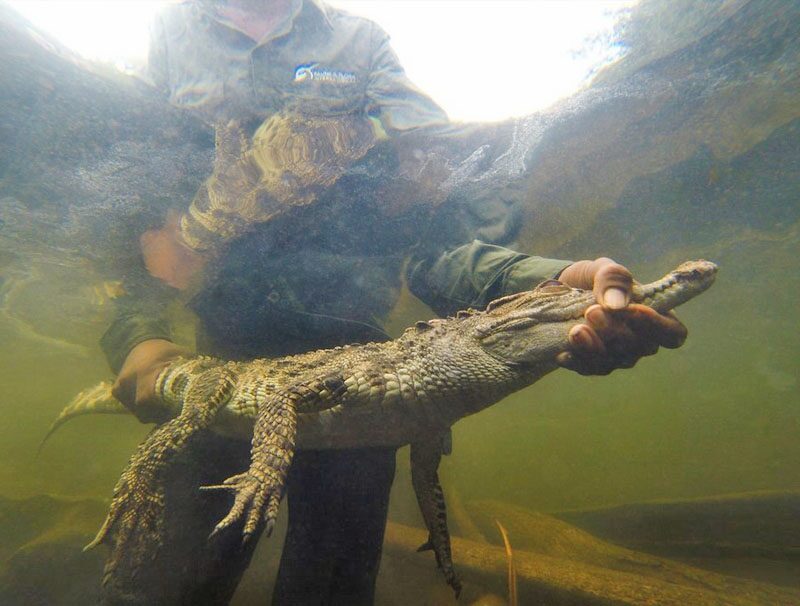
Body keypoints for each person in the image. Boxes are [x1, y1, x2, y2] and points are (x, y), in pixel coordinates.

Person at [101, 1, 687, 604]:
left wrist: (557, 278)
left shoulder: (361, 43)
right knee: (163, 589)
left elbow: (439, 239)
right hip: (223, 371)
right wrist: (137, 334)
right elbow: (144, 227)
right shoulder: (171, 35)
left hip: (368, 389)